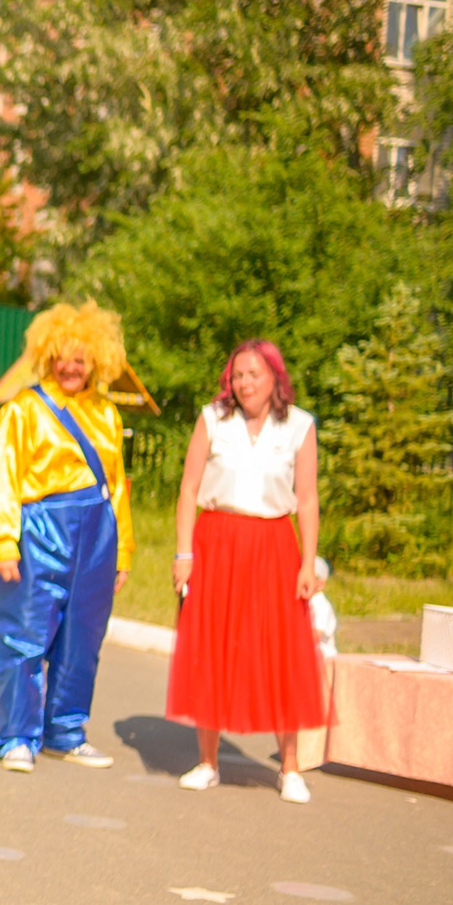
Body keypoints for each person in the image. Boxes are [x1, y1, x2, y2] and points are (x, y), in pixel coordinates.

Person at [0, 301, 139, 774]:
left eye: (80, 359)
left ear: (97, 361)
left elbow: (117, 486)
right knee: (24, 632)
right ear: (47, 356)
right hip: (39, 529)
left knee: (82, 638)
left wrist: (122, 550)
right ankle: (16, 736)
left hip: (97, 536)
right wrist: (4, 541)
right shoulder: (22, 409)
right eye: (62, 357)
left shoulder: (107, 414)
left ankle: (65, 732)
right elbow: (4, 475)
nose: (71, 367)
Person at [166, 340, 324, 803]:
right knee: (213, 646)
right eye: (237, 376)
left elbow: (308, 499)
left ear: (275, 376)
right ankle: (208, 762)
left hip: (275, 546)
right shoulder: (213, 419)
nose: (244, 383)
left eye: (253, 374)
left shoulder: (299, 426)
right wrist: (182, 553)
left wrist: (307, 562)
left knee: (281, 651)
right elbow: (189, 488)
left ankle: (290, 769)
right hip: (215, 544)